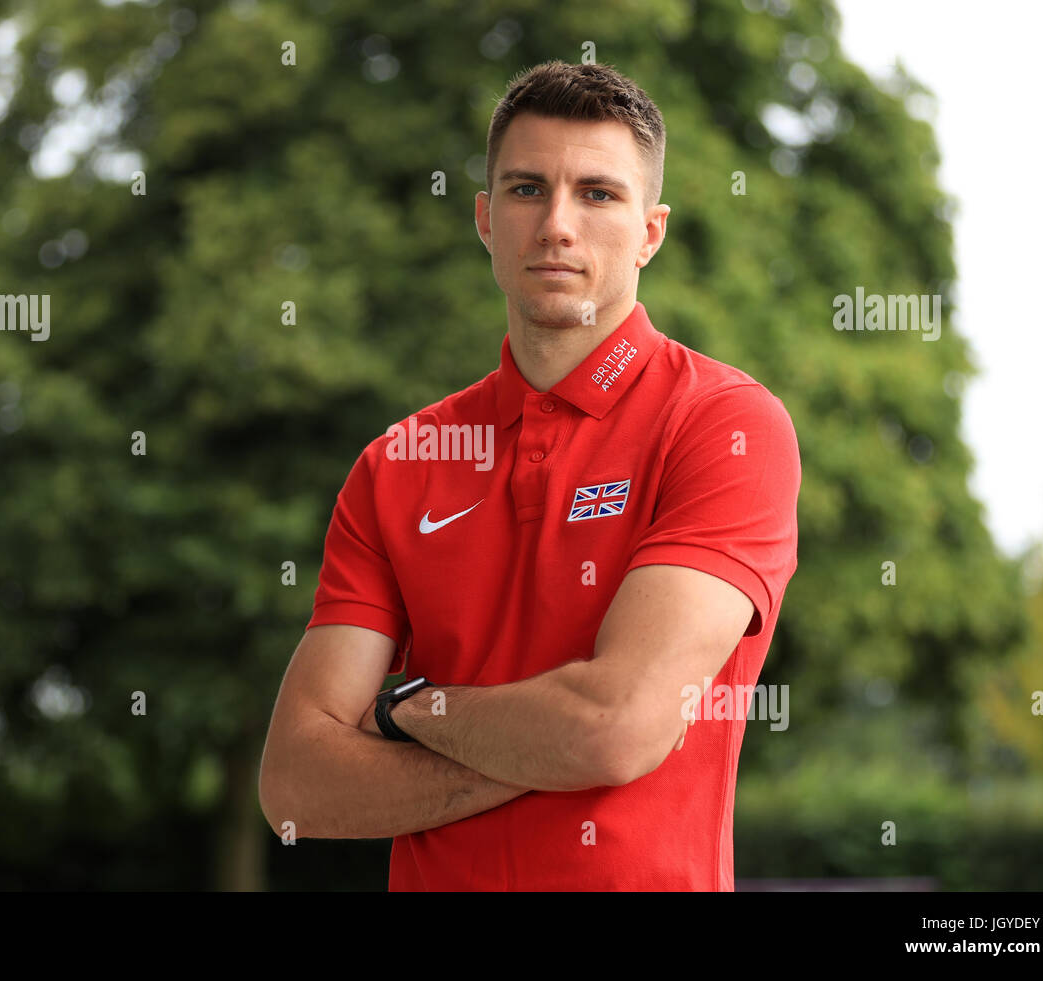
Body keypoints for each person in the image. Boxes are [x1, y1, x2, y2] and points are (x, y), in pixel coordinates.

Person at [258, 59, 801, 891]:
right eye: (524, 189)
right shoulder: (398, 463)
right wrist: (557, 743)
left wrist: (407, 709)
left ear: (652, 231)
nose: (556, 224)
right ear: (484, 218)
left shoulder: (726, 425)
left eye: (598, 193)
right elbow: (296, 785)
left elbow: (614, 728)